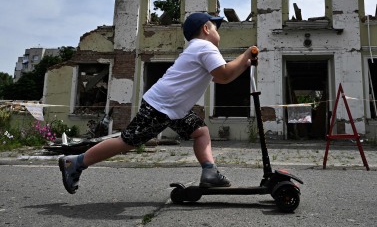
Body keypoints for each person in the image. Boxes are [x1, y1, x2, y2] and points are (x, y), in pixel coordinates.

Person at [59, 12, 257, 194]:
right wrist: (246, 54)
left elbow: (219, 76)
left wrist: (243, 64)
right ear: (206, 29)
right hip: (162, 106)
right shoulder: (206, 47)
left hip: (174, 109)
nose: (218, 33)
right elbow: (223, 75)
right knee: (126, 142)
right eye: (215, 28)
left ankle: (209, 171)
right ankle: (75, 162)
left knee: (200, 131)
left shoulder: (197, 49)